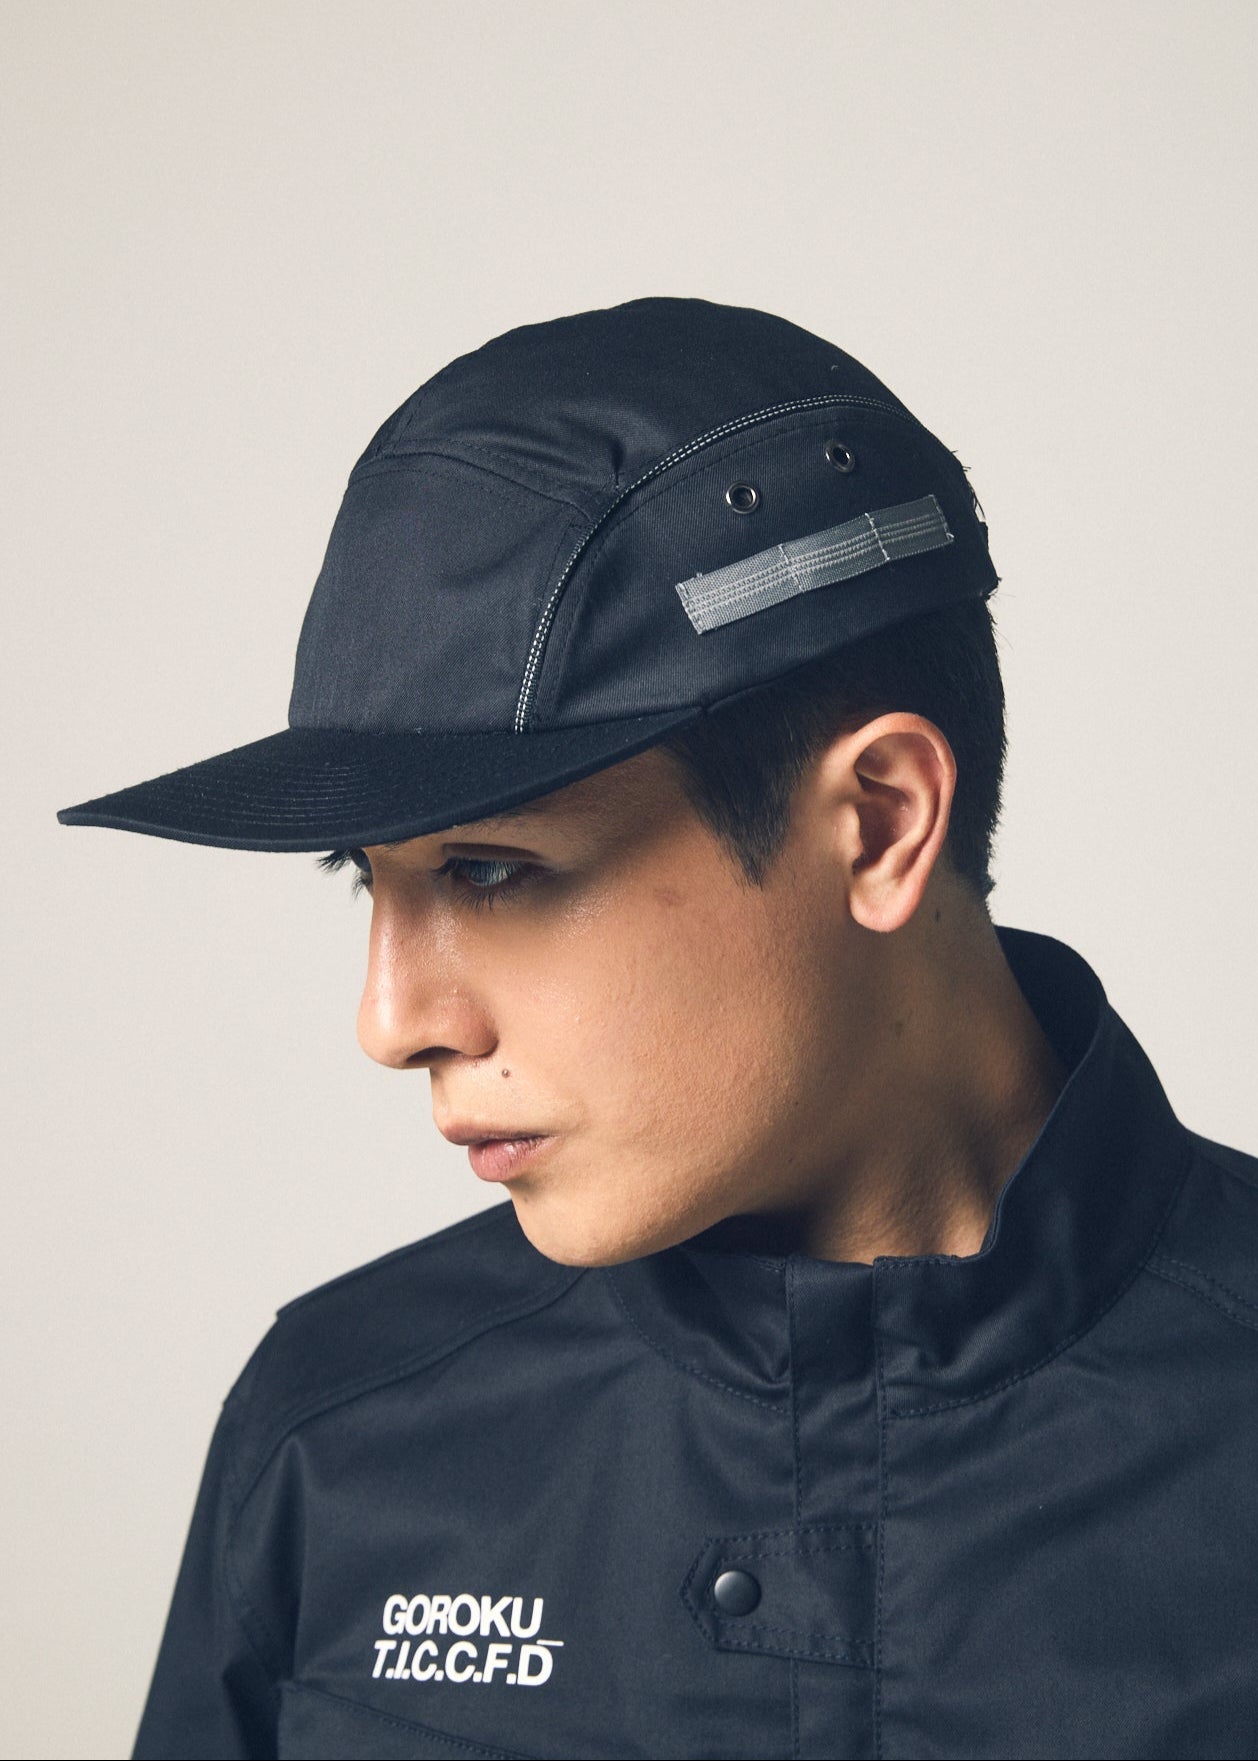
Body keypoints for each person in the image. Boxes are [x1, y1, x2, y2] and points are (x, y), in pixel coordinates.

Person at [58, 297, 1258, 1761]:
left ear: (881, 823)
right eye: (366, 880)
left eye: (490, 872)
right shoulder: (333, 1442)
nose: (390, 1020)